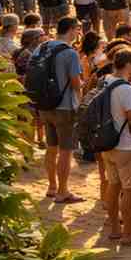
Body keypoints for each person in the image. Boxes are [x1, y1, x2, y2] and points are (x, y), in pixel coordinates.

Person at [100, 49, 131, 245]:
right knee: (130, 190)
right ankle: (128, 233)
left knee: (113, 185)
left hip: (108, 141)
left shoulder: (106, 80)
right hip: (126, 145)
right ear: (128, 64)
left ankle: (115, 229)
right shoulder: (126, 89)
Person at [39, 16, 85, 205]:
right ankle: (62, 191)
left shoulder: (42, 47)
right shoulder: (70, 53)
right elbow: (75, 83)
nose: (79, 33)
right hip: (64, 107)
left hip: (45, 104)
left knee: (51, 148)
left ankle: (51, 187)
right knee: (65, 151)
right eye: (78, 29)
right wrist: (81, 100)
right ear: (71, 29)